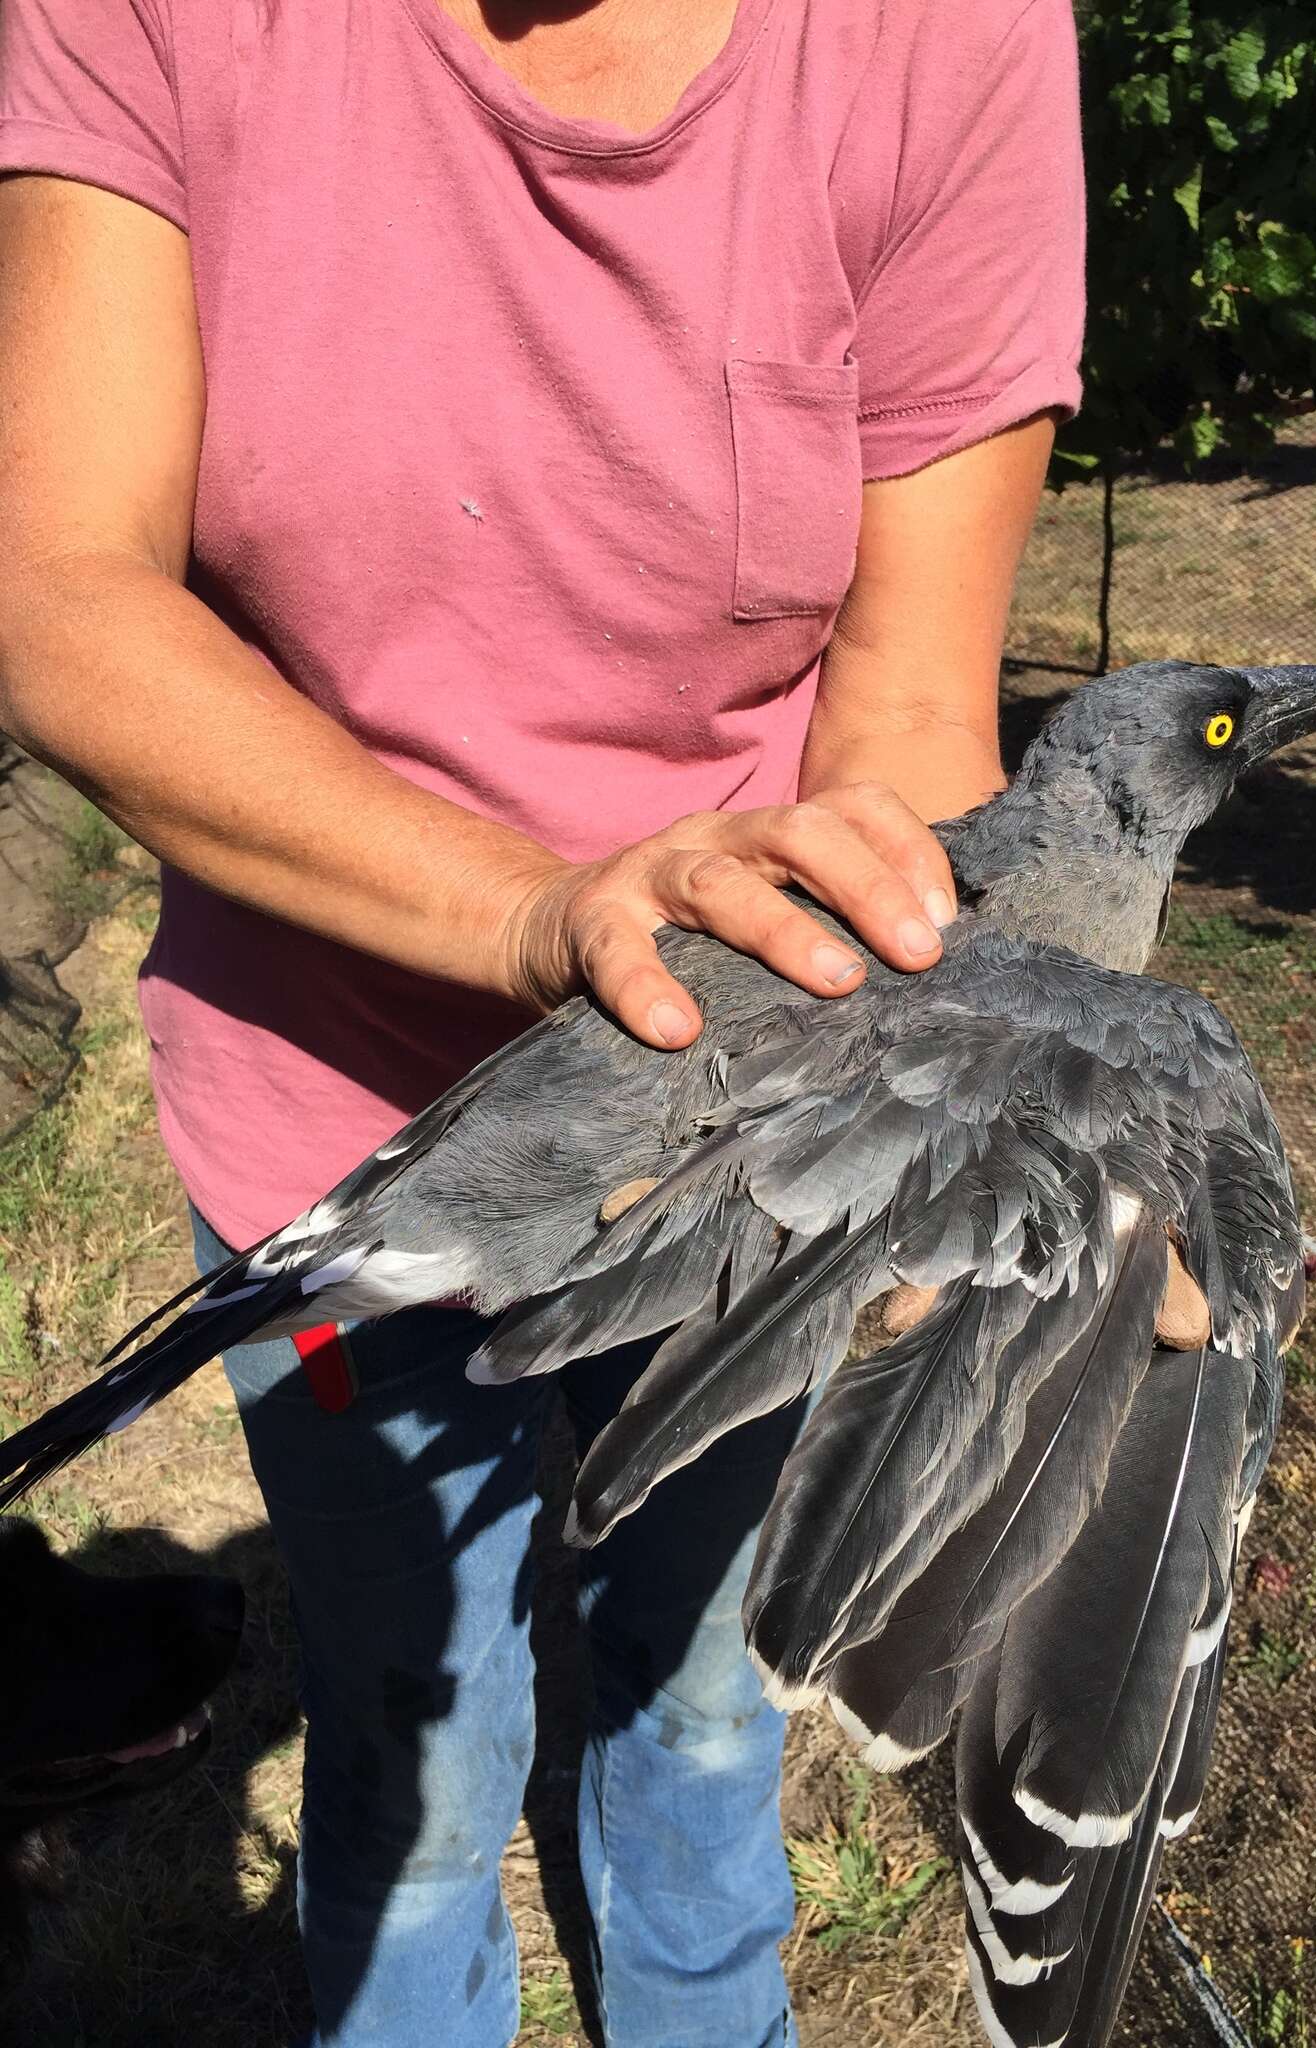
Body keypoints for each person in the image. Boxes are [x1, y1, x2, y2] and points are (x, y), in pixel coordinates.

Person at [0, 1, 1085, 2041]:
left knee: (694, 1697)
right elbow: (59, 588)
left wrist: (939, 1105)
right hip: (334, 1117)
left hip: (733, 1135)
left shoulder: (943, 38)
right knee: (411, 1746)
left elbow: (916, 706)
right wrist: (535, 914)